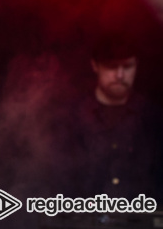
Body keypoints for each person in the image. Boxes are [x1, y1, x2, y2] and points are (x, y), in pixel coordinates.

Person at [62, 37, 162, 201]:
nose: (120, 75)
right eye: (112, 67)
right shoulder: (71, 118)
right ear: (95, 66)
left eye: (128, 66)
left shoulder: (153, 118)